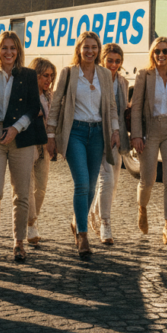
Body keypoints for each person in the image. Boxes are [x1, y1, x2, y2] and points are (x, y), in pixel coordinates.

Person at [46, 31, 121, 260]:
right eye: (86, 47)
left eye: (94, 47)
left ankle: (76, 220)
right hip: (75, 133)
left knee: (90, 186)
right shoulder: (68, 74)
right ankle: (83, 234)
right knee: (81, 184)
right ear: (79, 48)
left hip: (98, 133)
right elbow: (56, 105)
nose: (90, 51)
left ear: (98, 50)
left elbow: (110, 106)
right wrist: (50, 135)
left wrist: (115, 129)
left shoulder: (104, 74)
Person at [0, 31, 46, 261]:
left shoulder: (28, 74)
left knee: (21, 193)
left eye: (13, 48)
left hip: (21, 137)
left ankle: (18, 242)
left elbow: (34, 108)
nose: (8, 52)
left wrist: (16, 127)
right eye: (4, 47)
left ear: (18, 51)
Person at [130, 37, 167, 247]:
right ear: (152, 54)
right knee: (148, 180)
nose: (161, 55)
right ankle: (142, 207)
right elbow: (136, 107)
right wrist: (136, 135)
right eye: (157, 51)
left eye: (165, 51)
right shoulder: (144, 75)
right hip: (150, 131)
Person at [88, 43, 130, 245]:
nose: (113, 65)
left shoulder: (122, 82)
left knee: (112, 183)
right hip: (98, 133)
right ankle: (105, 223)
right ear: (103, 59)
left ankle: (90, 215)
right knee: (106, 180)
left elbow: (121, 111)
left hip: (117, 137)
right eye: (110, 60)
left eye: (117, 61)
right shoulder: (95, 78)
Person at [26, 57, 56, 246]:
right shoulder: (25, 94)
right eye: (45, 76)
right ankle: (30, 225)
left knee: (41, 188)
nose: (49, 80)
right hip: (26, 145)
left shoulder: (49, 96)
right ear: (35, 75)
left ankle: (31, 220)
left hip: (44, 146)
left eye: (51, 76)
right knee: (26, 188)